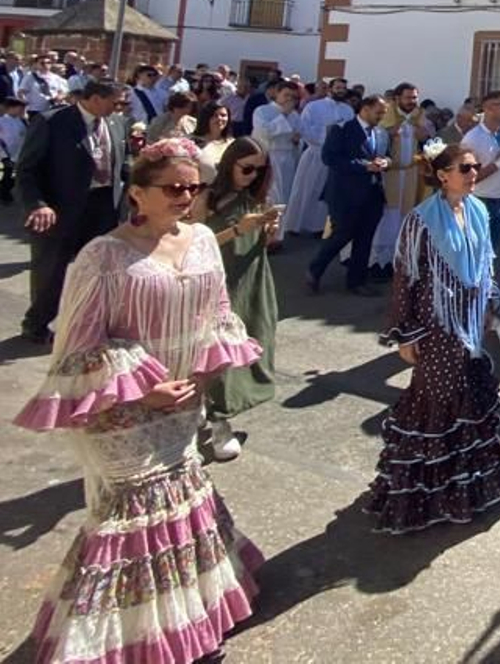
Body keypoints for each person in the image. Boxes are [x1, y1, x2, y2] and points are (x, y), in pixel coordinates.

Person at [14, 137, 263, 663]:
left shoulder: (200, 241)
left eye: (194, 187)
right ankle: (115, 639)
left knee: (181, 506)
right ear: (137, 194)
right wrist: (144, 389)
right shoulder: (102, 256)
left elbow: (218, 317)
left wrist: (204, 375)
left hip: (182, 404)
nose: (186, 196)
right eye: (173, 187)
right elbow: (79, 346)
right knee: (133, 517)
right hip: (120, 413)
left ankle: (183, 627)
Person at [366, 143, 500, 532]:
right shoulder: (422, 219)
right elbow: (406, 275)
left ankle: (465, 486)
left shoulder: (478, 210)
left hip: (469, 320)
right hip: (436, 322)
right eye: (465, 167)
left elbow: (484, 264)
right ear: (442, 174)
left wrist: (491, 304)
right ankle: (424, 493)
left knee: (467, 391)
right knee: (437, 397)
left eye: (475, 166)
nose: (473, 173)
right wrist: (406, 333)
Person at [191, 138, 282, 462]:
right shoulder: (207, 197)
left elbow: (261, 240)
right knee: (219, 353)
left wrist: (268, 229)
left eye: (260, 171)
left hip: (253, 278)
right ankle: (219, 421)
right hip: (219, 283)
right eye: (247, 169)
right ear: (230, 164)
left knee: (253, 344)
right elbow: (190, 245)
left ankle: (207, 405)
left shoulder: (255, 197)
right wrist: (236, 231)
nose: (253, 176)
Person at [16, 79, 126, 344]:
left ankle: (87, 325)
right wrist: (37, 204)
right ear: (96, 98)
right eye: (115, 102)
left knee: (99, 271)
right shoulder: (53, 122)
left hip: (102, 208)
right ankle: (37, 324)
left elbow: (124, 165)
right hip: (60, 209)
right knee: (51, 272)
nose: (118, 108)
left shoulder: (117, 123)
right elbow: (27, 169)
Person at [307, 95, 390, 296]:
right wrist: (364, 167)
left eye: (383, 113)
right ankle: (315, 269)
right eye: (378, 112)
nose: (381, 117)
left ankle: (356, 281)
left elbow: (385, 155)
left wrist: (385, 162)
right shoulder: (342, 129)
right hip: (345, 194)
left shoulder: (379, 133)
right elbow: (330, 158)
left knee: (365, 238)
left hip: (372, 193)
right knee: (342, 234)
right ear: (365, 109)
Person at [372, 83, 430, 278]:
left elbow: (426, 136)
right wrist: (392, 131)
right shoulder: (388, 112)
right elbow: (377, 135)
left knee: (405, 215)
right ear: (397, 98)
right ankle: (379, 261)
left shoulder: (419, 114)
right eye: (408, 98)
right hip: (391, 173)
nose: (412, 101)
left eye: (415, 97)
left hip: (411, 172)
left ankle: (399, 259)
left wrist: (419, 129)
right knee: (388, 214)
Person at [282, 77, 353, 235]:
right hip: (315, 154)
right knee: (304, 189)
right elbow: (304, 129)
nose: (341, 91)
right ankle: (294, 225)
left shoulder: (348, 110)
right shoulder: (314, 107)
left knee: (324, 192)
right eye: (338, 87)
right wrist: (326, 135)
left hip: (335, 158)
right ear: (330, 89)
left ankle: (318, 227)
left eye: (343, 88)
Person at [461, 90, 500, 246]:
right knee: (475, 251)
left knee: (492, 253)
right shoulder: (473, 138)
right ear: (488, 108)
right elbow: (467, 176)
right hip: (481, 200)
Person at [251, 80, 301, 211]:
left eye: (294, 97)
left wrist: (297, 140)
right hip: (269, 157)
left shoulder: (295, 115)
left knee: (286, 194)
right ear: (277, 94)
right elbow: (264, 132)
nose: (289, 99)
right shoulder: (262, 111)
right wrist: (283, 114)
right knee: (270, 194)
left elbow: (299, 136)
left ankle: (282, 227)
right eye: (286, 95)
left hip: (288, 159)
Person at [192, 98, 235, 182]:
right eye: (215, 115)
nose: (219, 118)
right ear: (206, 117)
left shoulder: (232, 143)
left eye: (223, 115)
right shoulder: (190, 142)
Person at [0, 95, 26, 202]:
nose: (22, 111)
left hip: (19, 153)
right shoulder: (2, 121)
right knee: (8, 175)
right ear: (10, 108)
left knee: (17, 176)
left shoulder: (21, 121)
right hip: (7, 154)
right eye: (19, 108)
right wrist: (4, 156)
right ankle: (4, 193)